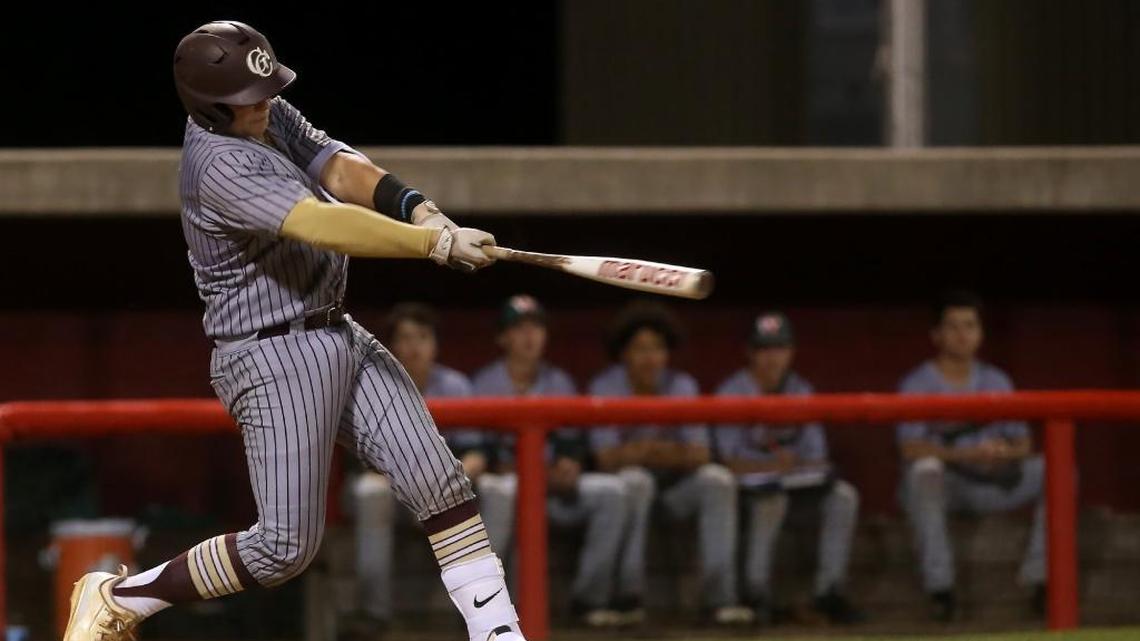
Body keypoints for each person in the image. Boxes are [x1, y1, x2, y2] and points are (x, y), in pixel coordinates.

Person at [64, 22, 524, 641]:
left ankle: (500, 633)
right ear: (209, 104)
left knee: (439, 481)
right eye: (246, 95)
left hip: (336, 329)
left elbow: (336, 164)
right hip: (272, 355)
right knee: (283, 549)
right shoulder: (218, 163)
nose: (262, 102)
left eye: (263, 89)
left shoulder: (260, 112)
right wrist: (432, 244)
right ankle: (122, 596)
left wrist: (418, 206)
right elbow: (322, 224)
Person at [588, 301, 753, 626]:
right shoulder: (605, 386)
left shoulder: (681, 385)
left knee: (717, 479)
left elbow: (700, 454)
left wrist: (644, 449)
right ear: (623, 354)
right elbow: (605, 458)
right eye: (641, 349)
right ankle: (627, 598)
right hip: (630, 495)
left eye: (658, 349)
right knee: (636, 480)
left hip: (677, 489)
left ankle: (720, 600)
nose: (651, 358)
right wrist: (665, 450)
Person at [470, 295, 628, 627]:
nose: (530, 336)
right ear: (503, 338)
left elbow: (572, 448)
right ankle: (491, 609)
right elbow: (483, 455)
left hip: (552, 489)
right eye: (520, 328)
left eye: (536, 328)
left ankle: (588, 600)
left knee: (613, 491)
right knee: (502, 490)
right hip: (507, 485)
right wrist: (535, 475)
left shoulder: (560, 382)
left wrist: (569, 467)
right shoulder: (484, 383)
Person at [897, 291, 1046, 622]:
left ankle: (1041, 580)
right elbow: (910, 448)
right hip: (944, 488)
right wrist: (966, 453)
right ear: (936, 335)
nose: (963, 334)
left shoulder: (996, 380)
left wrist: (1004, 453)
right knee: (924, 471)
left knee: (1055, 470)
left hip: (990, 482)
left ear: (980, 333)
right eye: (953, 326)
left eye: (970, 325)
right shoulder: (918, 383)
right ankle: (942, 590)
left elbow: (1024, 442)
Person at [713, 312, 863, 625]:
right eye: (764, 349)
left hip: (796, 487)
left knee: (843, 496)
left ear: (791, 352)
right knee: (772, 499)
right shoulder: (732, 392)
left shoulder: (801, 391)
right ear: (750, 353)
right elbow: (727, 462)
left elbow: (818, 458)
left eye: (779, 348)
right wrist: (770, 465)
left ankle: (828, 593)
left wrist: (790, 466)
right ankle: (757, 595)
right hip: (747, 494)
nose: (772, 357)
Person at [345, 304, 477, 638]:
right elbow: (357, 455)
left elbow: (478, 450)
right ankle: (374, 613)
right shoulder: (370, 384)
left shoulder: (456, 385)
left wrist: (450, 479)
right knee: (369, 491)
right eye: (406, 337)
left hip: (446, 486)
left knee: (501, 487)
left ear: (435, 344)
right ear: (389, 346)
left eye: (423, 337)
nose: (415, 346)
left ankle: (479, 608)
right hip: (389, 488)